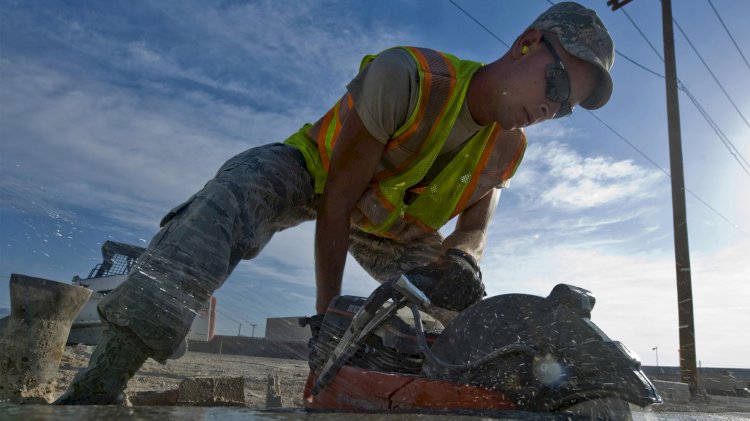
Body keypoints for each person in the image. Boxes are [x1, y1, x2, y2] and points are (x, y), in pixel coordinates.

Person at [55, 1, 614, 405]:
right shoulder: (410, 78)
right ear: (526, 45)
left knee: (466, 314)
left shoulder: (510, 145)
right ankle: (100, 383)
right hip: (315, 176)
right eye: (558, 88)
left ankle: (433, 399)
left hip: (392, 226)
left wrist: (464, 257)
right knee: (231, 199)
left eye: (566, 109)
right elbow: (338, 199)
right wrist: (326, 320)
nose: (552, 110)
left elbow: (477, 218)